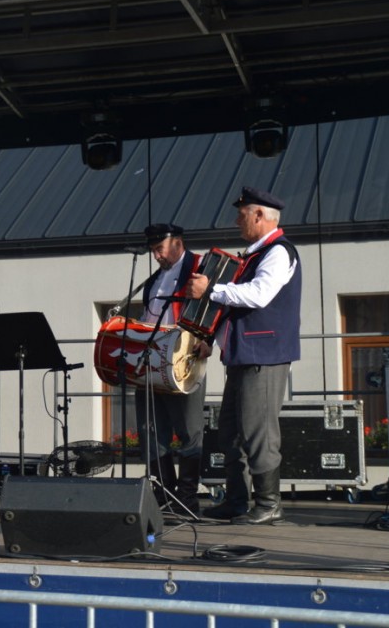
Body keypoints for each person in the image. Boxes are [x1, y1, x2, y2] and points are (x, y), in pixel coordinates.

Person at [187, 187, 302, 525]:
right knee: (231, 431)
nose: (237, 221)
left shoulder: (278, 252)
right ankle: (237, 500)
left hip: (263, 355)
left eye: (242, 215)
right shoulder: (257, 254)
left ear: (260, 216)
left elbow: (258, 295)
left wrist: (211, 289)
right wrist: (212, 338)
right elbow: (237, 305)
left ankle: (268, 503)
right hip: (244, 354)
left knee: (257, 430)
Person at [135, 223, 208, 517]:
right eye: (153, 250)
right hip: (153, 360)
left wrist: (208, 338)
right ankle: (164, 496)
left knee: (189, 430)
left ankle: (187, 499)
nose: (156, 256)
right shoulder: (154, 280)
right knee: (151, 429)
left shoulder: (201, 267)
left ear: (177, 242)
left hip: (185, 360)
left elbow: (216, 307)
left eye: (160, 249)